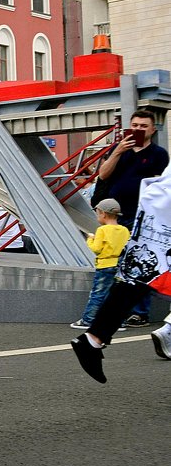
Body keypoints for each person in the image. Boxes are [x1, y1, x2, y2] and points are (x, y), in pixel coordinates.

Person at [94, 110, 169, 327]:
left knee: (139, 263)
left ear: (152, 130)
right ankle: (112, 313)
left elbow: (161, 183)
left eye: (143, 126)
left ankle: (140, 313)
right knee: (114, 263)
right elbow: (103, 175)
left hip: (142, 216)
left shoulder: (158, 154)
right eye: (135, 125)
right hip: (117, 215)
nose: (138, 129)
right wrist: (117, 151)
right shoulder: (119, 150)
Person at [70, 198, 130, 330]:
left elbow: (96, 249)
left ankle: (88, 320)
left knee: (97, 294)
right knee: (116, 296)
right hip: (120, 266)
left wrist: (90, 239)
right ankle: (119, 322)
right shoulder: (124, 230)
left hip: (105, 265)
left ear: (103, 213)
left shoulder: (102, 230)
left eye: (97, 213)